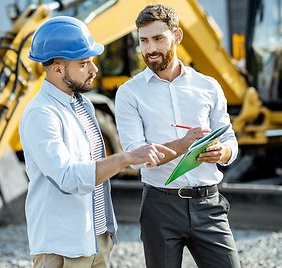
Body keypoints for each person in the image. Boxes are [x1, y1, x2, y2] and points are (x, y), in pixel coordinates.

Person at [19, 16, 176, 268]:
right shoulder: (41, 115)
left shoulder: (84, 106)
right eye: (84, 63)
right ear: (57, 69)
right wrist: (125, 158)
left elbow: (94, 172)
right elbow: (68, 178)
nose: (94, 69)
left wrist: (106, 230)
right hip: (63, 250)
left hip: (96, 239)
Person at [115, 4, 241, 268]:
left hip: (209, 205)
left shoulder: (208, 86)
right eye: (144, 41)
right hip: (160, 206)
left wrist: (223, 152)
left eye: (158, 38)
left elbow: (230, 141)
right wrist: (184, 144)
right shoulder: (129, 93)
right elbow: (136, 158)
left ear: (177, 36)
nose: (150, 49)